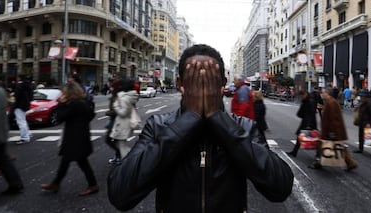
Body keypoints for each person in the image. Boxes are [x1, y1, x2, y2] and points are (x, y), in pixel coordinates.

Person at [107, 44, 294, 212]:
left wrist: (218, 119)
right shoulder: (158, 126)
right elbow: (120, 193)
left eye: (210, 80)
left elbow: (280, 187)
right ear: (181, 85)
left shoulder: (243, 126)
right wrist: (189, 119)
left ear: (222, 84)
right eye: (195, 79)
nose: (202, 86)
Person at [41, 82, 99, 196]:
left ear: (69, 93)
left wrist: (60, 104)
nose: (62, 94)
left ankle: (93, 185)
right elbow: (91, 116)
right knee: (69, 161)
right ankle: (56, 183)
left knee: (78, 162)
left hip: (74, 138)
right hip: (81, 137)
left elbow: (60, 118)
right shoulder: (84, 102)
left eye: (64, 92)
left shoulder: (73, 104)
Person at [309, 87, 358, 171]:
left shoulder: (331, 103)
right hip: (333, 131)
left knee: (323, 146)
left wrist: (332, 132)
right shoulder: (330, 102)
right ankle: (350, 163)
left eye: (323, 93)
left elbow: (333, 119)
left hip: (332, 131)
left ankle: (318, 163)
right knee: (339, 147)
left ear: (327, 94)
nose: (321, 94)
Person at [0, 82, 24, 194]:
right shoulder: (0, 91)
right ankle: (16, 183)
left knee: (3, 160)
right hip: (2, 131)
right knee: (3, 160)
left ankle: (16, 184)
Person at [108, 78, 140, 160]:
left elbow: (123, 113)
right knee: (121, 145)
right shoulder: (130, 96)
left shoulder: (125, 98)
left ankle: (129, 162)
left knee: (122, 146)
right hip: (125, 124)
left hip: (123, 124)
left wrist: (115, 105)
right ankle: (132, 159)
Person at [287, 90, 317, 157]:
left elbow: (311, 114)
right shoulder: (307, 101)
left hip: (308, 123)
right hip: (306, 122)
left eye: (301, 96)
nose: (301, 97)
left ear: (305, 94)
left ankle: (318, 156)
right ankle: (294, 152)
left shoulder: (309, 102)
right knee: (300, 137)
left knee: (313, 139)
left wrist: (309, 125)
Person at [13, 75, 33, 144]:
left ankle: (25, 137)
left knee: (21, 121)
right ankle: (27, 133)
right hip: (25, 104)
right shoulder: (29, 85)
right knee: (23, 120)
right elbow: (31, 96)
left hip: (19, 105)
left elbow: (17, 96)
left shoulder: (19, 86)